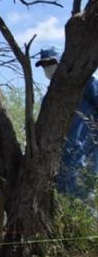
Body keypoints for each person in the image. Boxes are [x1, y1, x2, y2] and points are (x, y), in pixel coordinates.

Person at [35, 46, 98, 201]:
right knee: (63, 201)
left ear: (62, 62)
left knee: (84, 200)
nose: (47, 67)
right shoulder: (48, 98)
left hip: (86, 153)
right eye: (43, 65)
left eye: (51, 62)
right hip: (60, 160)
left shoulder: (84, 82)